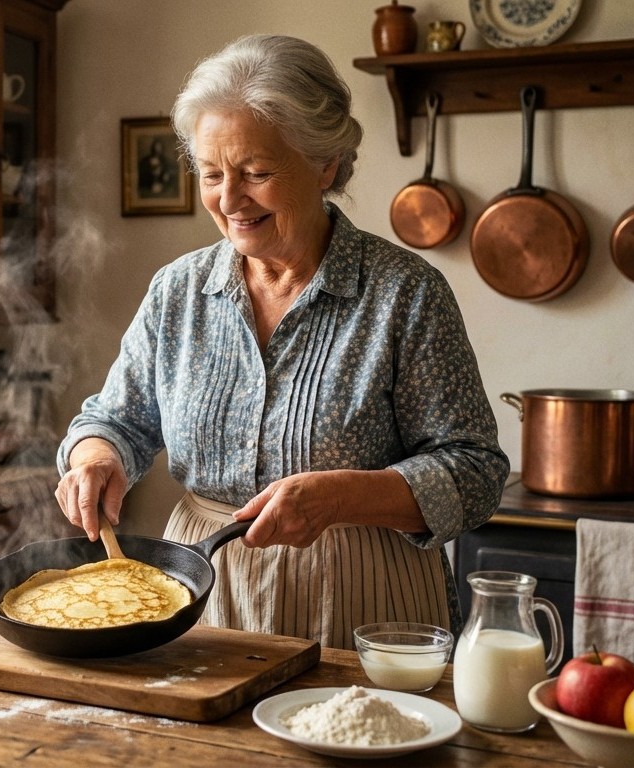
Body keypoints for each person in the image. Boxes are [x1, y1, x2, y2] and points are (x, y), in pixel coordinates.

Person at [54, 34, 508, 649]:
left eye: (257, 173)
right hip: (200, 591)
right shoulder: (178, 291)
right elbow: (117, 419)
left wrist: (343, 495)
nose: (230, 199)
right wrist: (96, 460)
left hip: (362, 597)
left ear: (325, 163)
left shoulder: (405, 293)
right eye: (212, 174)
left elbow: (476, 472)